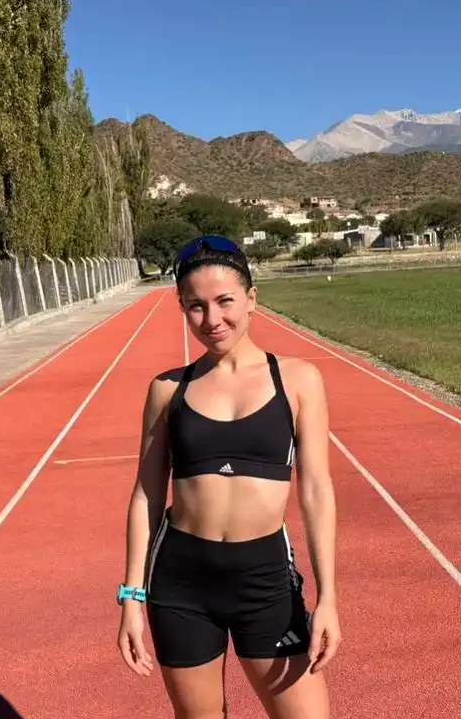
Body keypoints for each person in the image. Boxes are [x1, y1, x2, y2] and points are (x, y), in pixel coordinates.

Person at [117, 235, 339, 718]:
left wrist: (328, 597)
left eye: (224, 302)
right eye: (195, 307)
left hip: (264, 581)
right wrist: (132, 596)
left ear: (252, 299)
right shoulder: (167, 390)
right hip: (180, 583)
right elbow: (147, 497)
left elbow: (316, 491)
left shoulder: (298, 380)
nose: (212, 320)